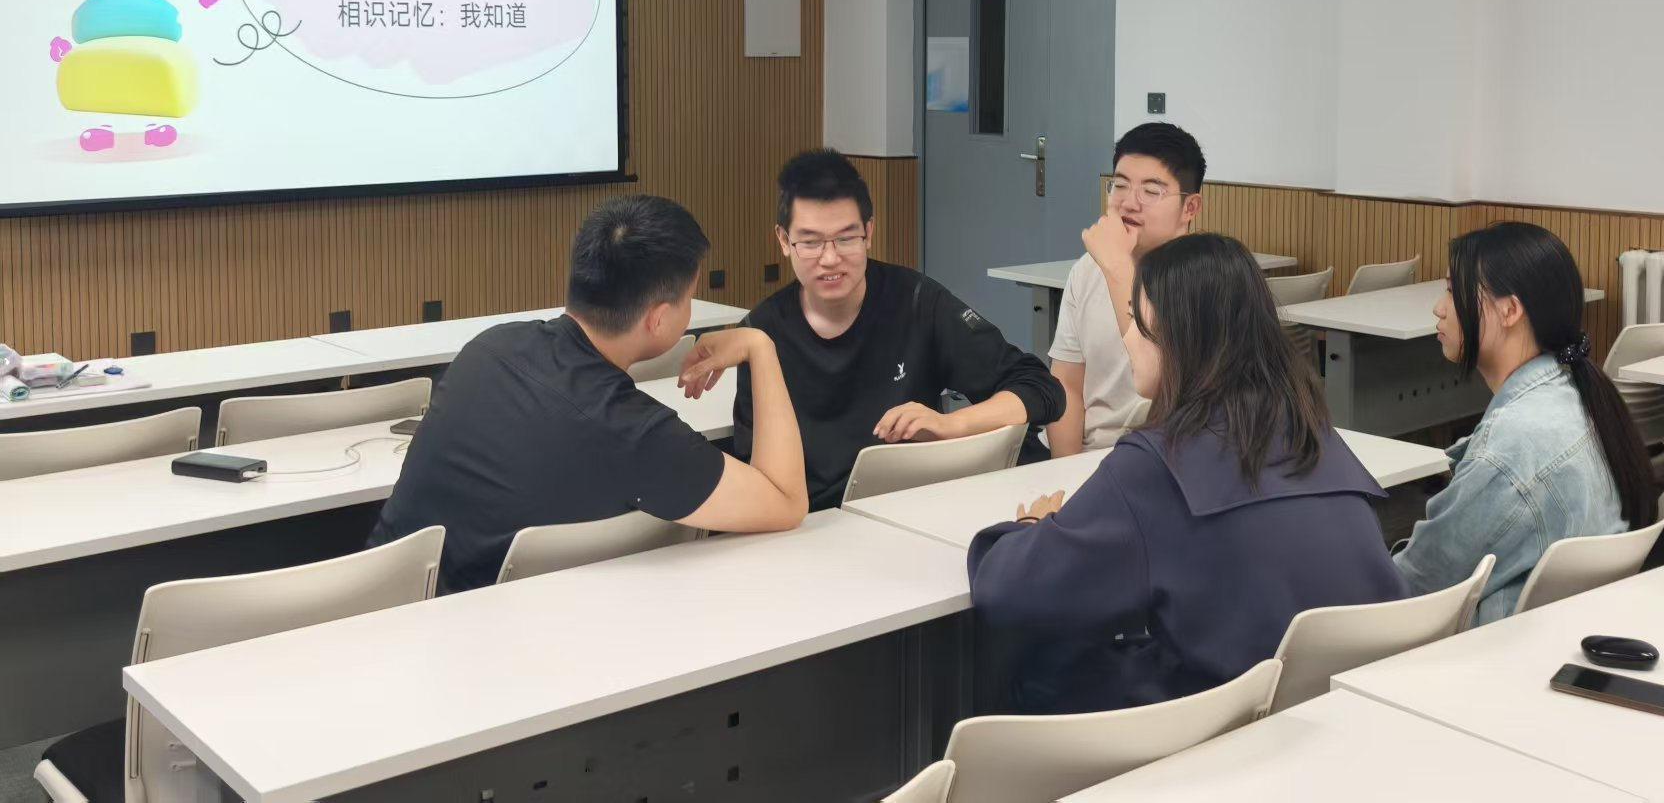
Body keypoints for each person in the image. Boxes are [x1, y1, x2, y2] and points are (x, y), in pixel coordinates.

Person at [967, 233, 1405, 714]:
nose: (1127, 338)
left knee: (1037, 660)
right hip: (1340, 709)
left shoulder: (1155, 463)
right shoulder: (1313, 430)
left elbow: (1010, 593)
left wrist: (1031, 527)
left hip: (1221, 724)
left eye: (1137, 323)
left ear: (1179, 336)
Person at [369, 195, 807, 593]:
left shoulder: (488, 347)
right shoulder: (632, 431)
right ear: (657, 319)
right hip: (481, 635)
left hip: (382, 607)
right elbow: (786, 503)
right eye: (689, 298)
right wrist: (760, 347)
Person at [730, 149, 1066, 511]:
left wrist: (949, 425)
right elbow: (756, 474)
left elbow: (1040, 388)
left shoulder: (915, 301)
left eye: (846, 238)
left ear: (868, 232)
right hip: (812, 523)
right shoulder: (761, 333)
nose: (830, 258)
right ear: (783, 240)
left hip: (911, 508)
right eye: (810, 242)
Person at [1394, 222, 1656, 624]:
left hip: (1496, 648)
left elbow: (1414, 586)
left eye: (1451, 290)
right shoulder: (1575, 392)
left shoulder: (1512, 447)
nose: (1439, 308)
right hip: (1567, 632)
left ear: (1510, 311)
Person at [1046, 122, 1205, 456]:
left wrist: (1117, 266)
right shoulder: (1088, 269)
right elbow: (1067, 385)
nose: (1129, 203)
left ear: (1190, 208)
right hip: (1087, 457)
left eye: (1151, 191)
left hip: (1165, 457)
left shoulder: (1206, 278)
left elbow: (1158, 378)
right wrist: (1063, 470)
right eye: (1119, 185)